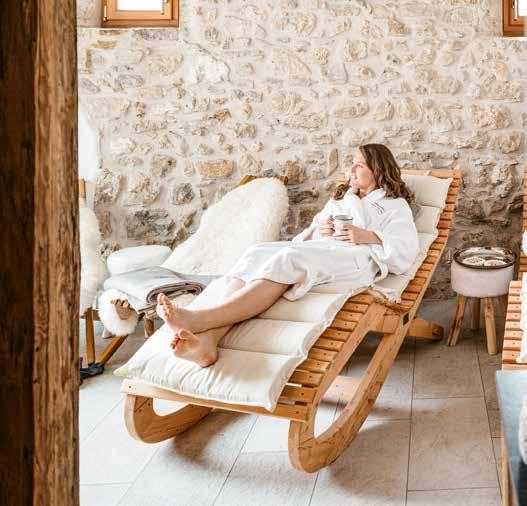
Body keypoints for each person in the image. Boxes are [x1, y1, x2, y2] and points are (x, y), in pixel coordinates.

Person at [156, 143, 419, 367]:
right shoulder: (340, 200)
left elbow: (405, 248)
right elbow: (306, 235)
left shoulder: (393, 206)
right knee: (257, 252)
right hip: (324, 250)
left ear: (378, 170)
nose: (350, 169)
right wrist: (319, 232)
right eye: (351, 163)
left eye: (358, 165)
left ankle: (201, 319)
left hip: (358, 258)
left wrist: (368, 236)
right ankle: (207, 342)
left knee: (289, 258)